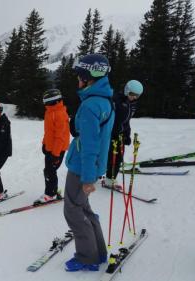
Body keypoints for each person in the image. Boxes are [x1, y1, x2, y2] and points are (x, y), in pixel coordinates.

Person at [64, 54, 114, 272]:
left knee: (73, 211)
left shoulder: (90, 106)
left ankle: (87, 257)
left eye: (79, 75)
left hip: (81, 168)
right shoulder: (105, 101)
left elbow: (90, 144)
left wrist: (86, 178)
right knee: (85, 209)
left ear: (88, 76)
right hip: (92, 166)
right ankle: (98, 252)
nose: (78, 80)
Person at [103, 80, 144, 187]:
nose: (134, 98)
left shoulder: (132, 104)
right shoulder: (116, 100)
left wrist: (127, 135)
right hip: (110, 134)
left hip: (120, 135)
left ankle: (110, 178)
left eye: (137, 96)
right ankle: (101, 176)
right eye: (132, 94)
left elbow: (126, 122)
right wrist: (113, 133)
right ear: (127, 91)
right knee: (108, 156)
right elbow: (111, 119)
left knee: (118, 158)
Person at [34, 89, 70, 205]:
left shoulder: (59, 114)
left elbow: (60, 137)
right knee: (49, 170)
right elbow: (49, 132)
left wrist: (55, 154)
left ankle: (50, 194)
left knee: (50, 171)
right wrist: (44, 144)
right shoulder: (50, 112)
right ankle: (53, 190)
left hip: (57, 149)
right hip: (50, 148)